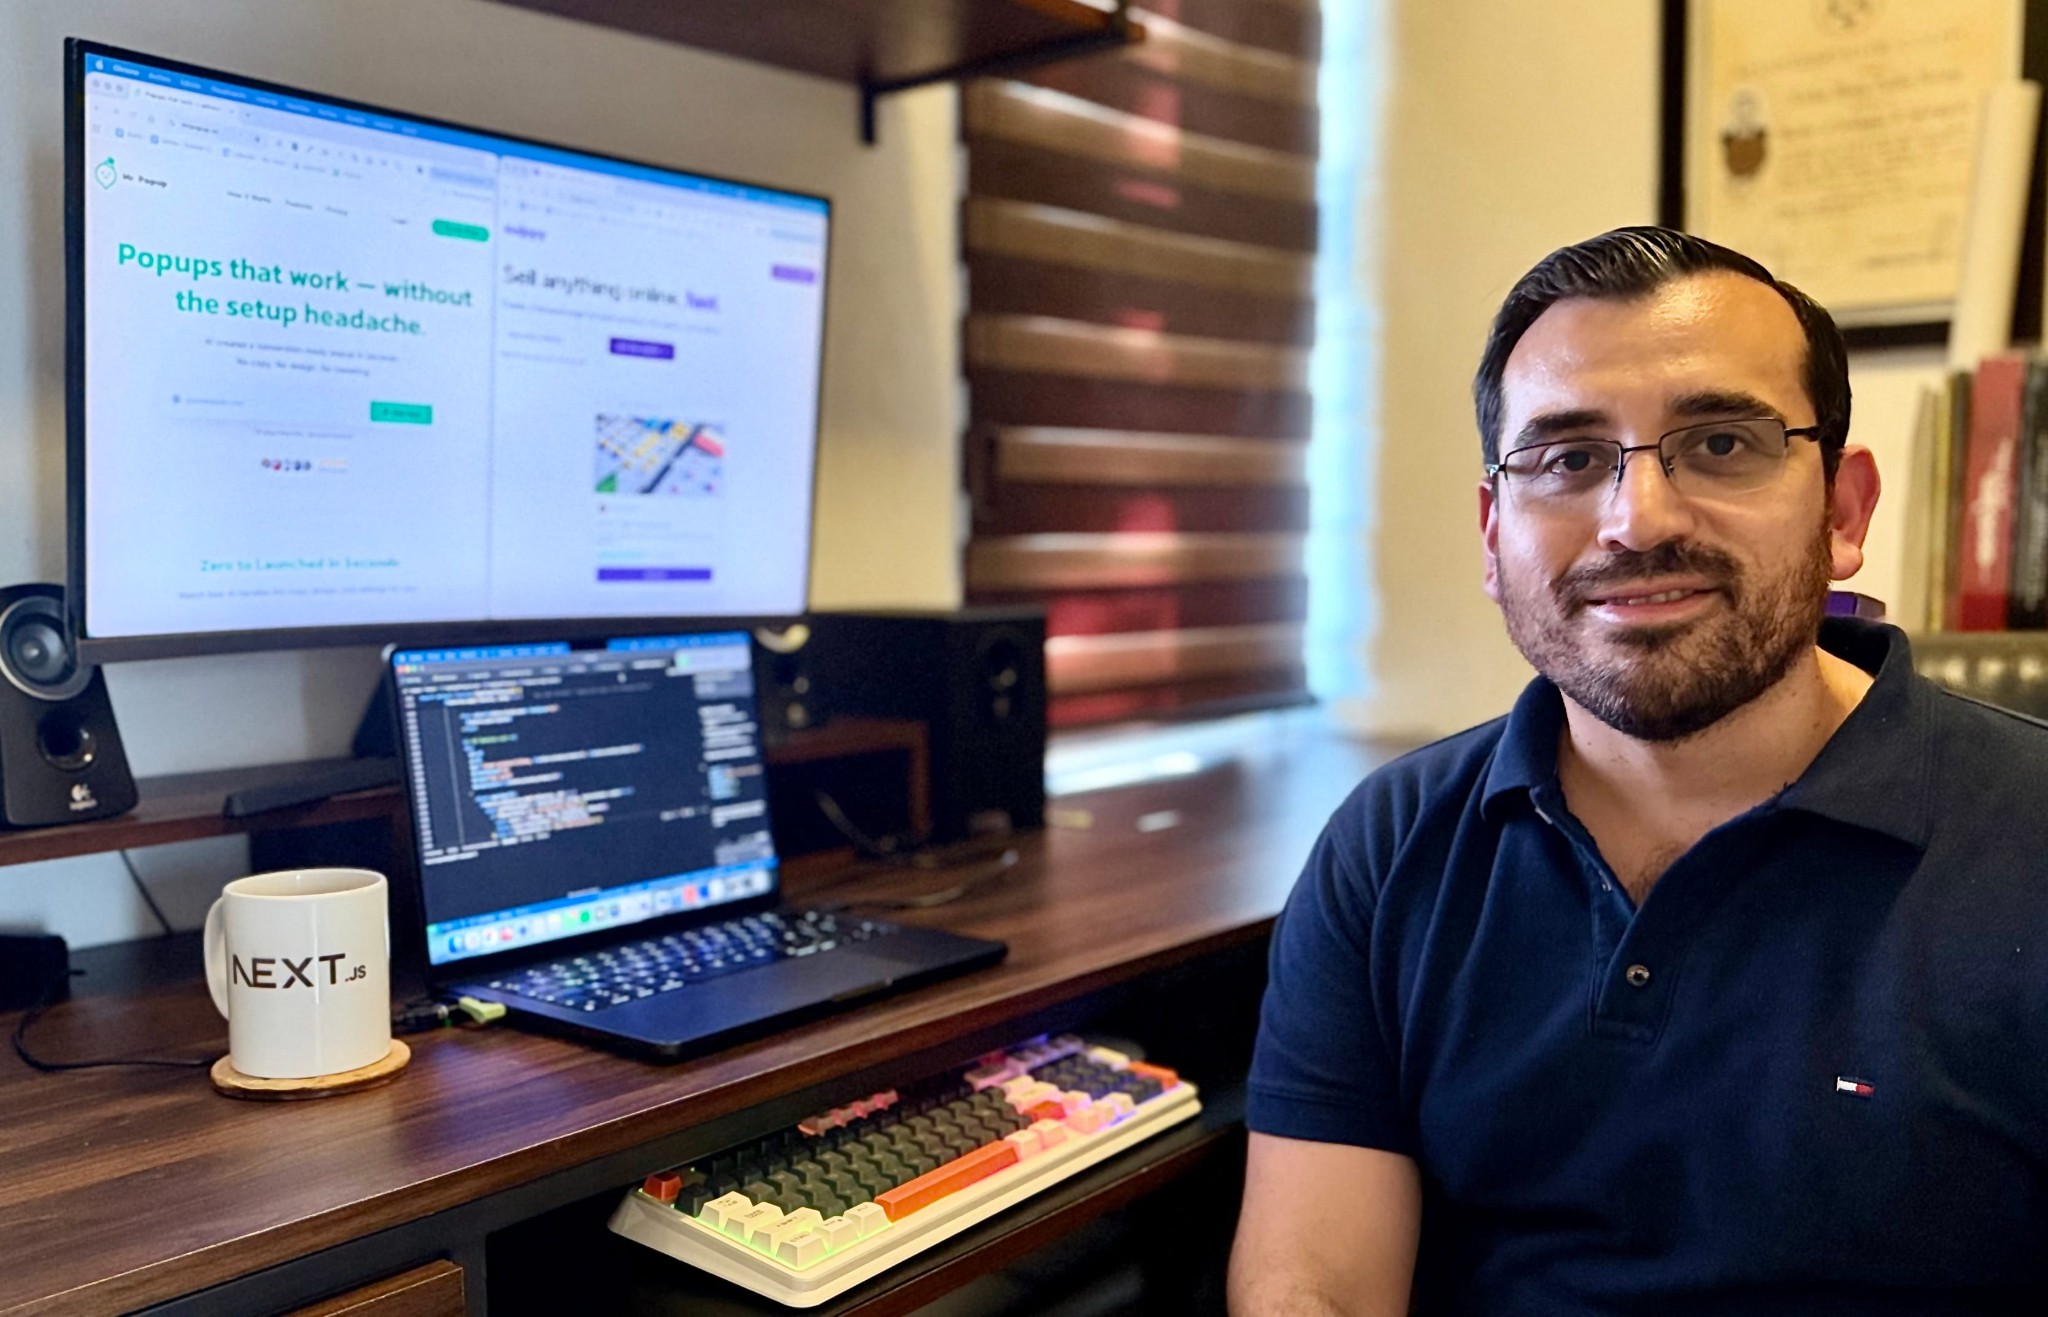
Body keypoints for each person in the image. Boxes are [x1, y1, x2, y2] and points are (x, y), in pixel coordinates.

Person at [1227, 226, 2048, 1315]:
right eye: (1565, 459)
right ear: (1491, 533)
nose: (1636, 520)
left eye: (1716, 444)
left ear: (1841, 512)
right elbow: (1313, 1288)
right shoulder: (1389, 849)